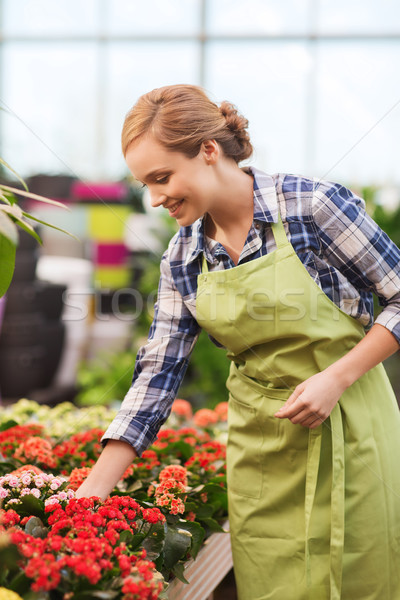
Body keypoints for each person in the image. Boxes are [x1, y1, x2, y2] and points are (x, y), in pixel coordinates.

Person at [76, 84, 400, 599]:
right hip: (261, 445)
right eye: (146, 184)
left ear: (208, 150)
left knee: (358, 574)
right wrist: (94, 489)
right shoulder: (182, 257)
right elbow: (157, 374)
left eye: (162, 177)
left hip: (351, 426)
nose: (155, 197)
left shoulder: (312, 208)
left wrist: (336, 377)